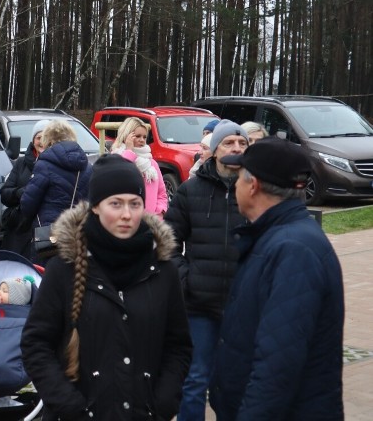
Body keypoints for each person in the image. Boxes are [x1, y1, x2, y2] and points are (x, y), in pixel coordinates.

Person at [21, 154, 192, 420]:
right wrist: (68, 404)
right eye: (116, 204)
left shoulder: (162, 270)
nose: (127, 214)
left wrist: (163, 402)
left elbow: (178, 345)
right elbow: (36, 344)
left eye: (135, 204)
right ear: (96, 207)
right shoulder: (64, 268)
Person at [210, 138, 344, 420]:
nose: (235, 185)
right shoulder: (276, 238)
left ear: (253, 185)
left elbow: (277, 365)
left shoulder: (293, 250)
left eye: (238, 177)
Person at [164, 119, 249, 421]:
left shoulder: (256, 190)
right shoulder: (190, 190)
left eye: (242, 143)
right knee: (195, 378)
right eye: (229, 143)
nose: (236, 148)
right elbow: (167, 242)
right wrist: (186, 279)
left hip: (243, 306)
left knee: (234, 381)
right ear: (214, 151)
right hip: (199, 304)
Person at [20, 120, 92, 261]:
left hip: (50, 235)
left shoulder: (44, 164)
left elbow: (27, 205)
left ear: (49, 140)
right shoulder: (88, 167)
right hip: (78, 232)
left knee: (47, 277)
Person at [0, 119, 49, 258]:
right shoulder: (21, 163)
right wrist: (19, 193)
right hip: (19, 229)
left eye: (46, 137)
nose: (42, 141)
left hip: (45, 229)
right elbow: (4, 194)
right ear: (33, 140)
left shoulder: (56, 166)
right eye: (39, 137)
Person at [111, 117, 168, 216]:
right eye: (137, 136)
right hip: (124, 220)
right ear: (126, 136)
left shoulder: (152, 164)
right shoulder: (115, 159)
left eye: (144, 137)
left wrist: (159, 212)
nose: (142, 140)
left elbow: (162, 193)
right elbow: (120, 180)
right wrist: (129, 152)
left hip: (150, 223)